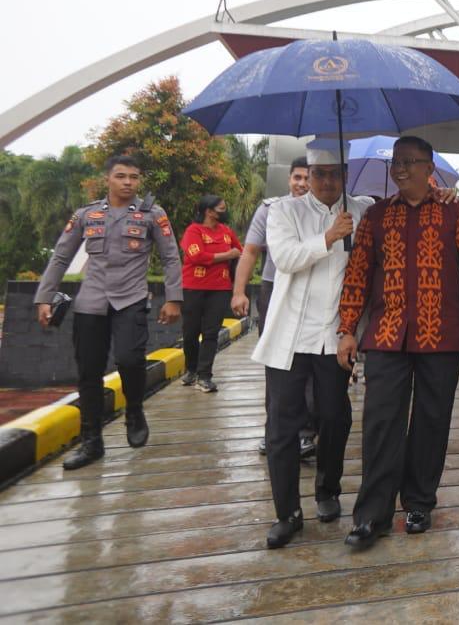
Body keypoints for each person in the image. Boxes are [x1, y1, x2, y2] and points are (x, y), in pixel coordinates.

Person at [336, 136, 459, 552]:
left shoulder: (455, 214)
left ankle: (419, 502)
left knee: (431, 420)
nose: (401, 170)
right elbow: (356, 275)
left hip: (440, 335)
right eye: (397, 163)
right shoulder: (375, 217)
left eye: (410, 162)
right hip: (387, 335)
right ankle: (371, 515)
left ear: (430, 169)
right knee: (380, 422)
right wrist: (347, 329)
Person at [251, 144, 372, 548]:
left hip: (333, 336)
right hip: (289, 336)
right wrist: (329, 237)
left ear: (345, 173)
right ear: (308, 173)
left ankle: (328, 489)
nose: (326, 182)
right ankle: (287, 512)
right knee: (282, 427)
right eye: (319, 174)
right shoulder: (284, 210)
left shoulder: (363, 210)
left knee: (335, 417)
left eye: (335, 174)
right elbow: (284, 258)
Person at [34, 154, 183, 470]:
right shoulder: (87, 214)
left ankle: (134, 410)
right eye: (121, 176)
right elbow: (61, 257)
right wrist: (43, 298)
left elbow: (171, 257)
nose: (128, 182)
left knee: (130, 360)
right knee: (89, 372)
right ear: (108, 179)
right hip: (91, 302)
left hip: (130, 300)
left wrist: (174, 299)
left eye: (134, 176)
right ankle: (92, 442)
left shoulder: (152, 214)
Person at [232, 157, 312, 458]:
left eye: (307, 178)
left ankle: (305, 432)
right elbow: (251, 250)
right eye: (297, 177)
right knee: (277, 361)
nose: (302, 184)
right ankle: (275, 429)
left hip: (312, 293)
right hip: (274, 290)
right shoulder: (270, 209)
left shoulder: (324, 210)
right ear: (289, 179)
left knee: (309, 362)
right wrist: (239, 291)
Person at [179, 194, 242, 393]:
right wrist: (226, 255)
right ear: (209, 211)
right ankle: (191, 369)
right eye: (221, 208)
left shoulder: (226, 231)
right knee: (190, 333)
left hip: (220, 288)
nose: (225, 212)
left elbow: (240, 251)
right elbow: (197, 256)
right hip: (193, 287)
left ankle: (205, 375)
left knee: (211, 333)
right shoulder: (193, 231)